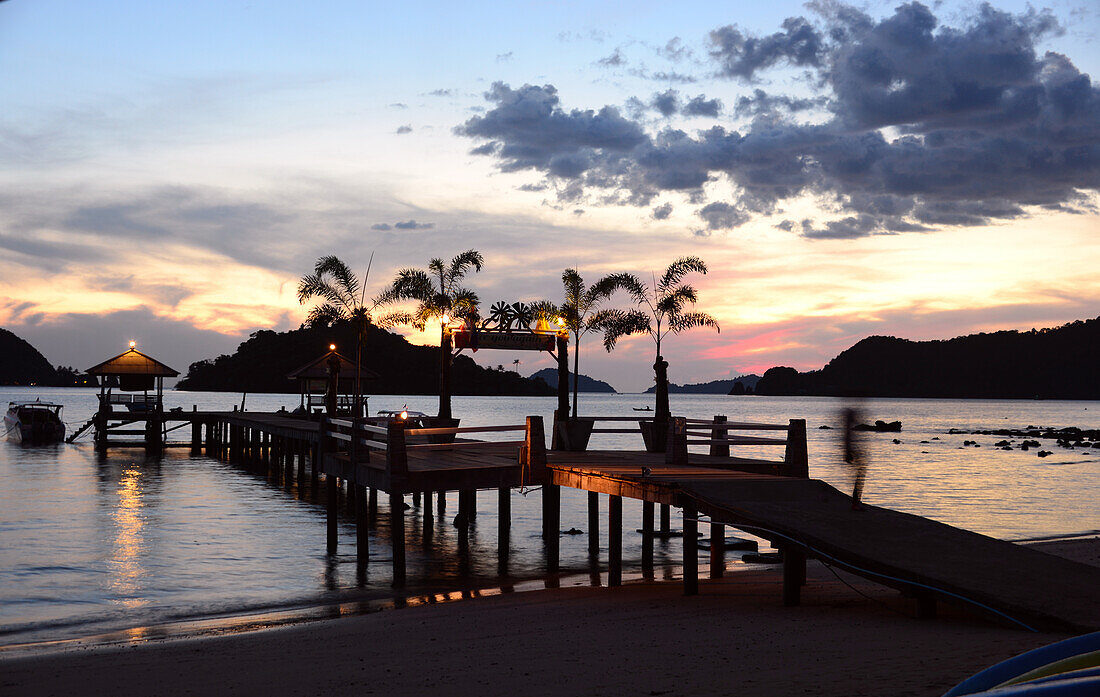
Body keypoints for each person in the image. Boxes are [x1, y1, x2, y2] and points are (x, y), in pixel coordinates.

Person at [842, 405, 868, 511]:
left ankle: (855, 502)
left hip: (854, 451)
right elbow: (847, 437)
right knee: (859, 476)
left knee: (859, 476)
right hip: (853, 452)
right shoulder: (849, 425)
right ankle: (855, 503)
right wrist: (848, 451)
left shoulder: (851, 426)